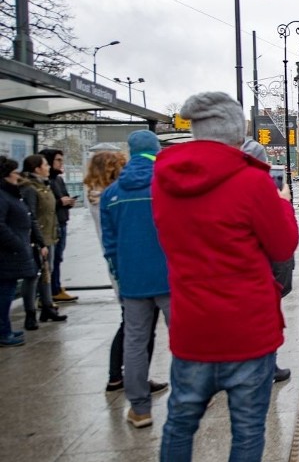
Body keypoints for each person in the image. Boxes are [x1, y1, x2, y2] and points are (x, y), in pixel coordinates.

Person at [153, 92, 299, 461]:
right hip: (248, 330)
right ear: (237, 131)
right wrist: (281, 202)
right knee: (248, 429)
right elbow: (283, 247)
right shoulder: (251, 181)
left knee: (179, 423)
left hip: (192, 329)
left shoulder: (163, 181)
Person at [101, 131, 171, 429]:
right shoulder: (168, 187)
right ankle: (191, 396)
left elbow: (110, 246)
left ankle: (140, 409)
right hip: (171, 277)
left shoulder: (111, 194)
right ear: (156, 151)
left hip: (132, 282)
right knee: (183, 339)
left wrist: (119, 278)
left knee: (135, 342)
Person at [242, 139, 294, 383]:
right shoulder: (259, 190)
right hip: (258, 276)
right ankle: (267, 367)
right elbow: (283, 243)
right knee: (263, 321)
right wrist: (283, 202)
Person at [18, 154, 66, 328]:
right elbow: (30, 216)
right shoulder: (30, 188)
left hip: (49, 234)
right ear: (36, 168)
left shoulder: (45, 185)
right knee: (33, 275)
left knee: (47, 271)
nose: (48, 167)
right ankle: (30, 312)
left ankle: (47, 307)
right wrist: (38, 241)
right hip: (38, 238)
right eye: (45, 164)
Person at [0, 156, 41, 347]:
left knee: (6, 292)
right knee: (4, 293)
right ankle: (3, 332)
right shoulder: (3, 195)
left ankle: (5, 329)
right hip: (8, 253)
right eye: (15, 172)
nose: (18, 175)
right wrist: (17, 243)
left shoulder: (11, 193)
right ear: (6, 175)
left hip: (13, 250)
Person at [38, 149, 78, 303]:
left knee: (58, 258)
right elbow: (45, 204)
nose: (61, 163)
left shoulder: (58, 180)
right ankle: (48, 293)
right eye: (58, 160)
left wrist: (68, 202)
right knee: (50, 261)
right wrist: (61, 202)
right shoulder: (45, 182)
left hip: (62, 221)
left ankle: (55, 288)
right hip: (50, 225)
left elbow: (63, 197)